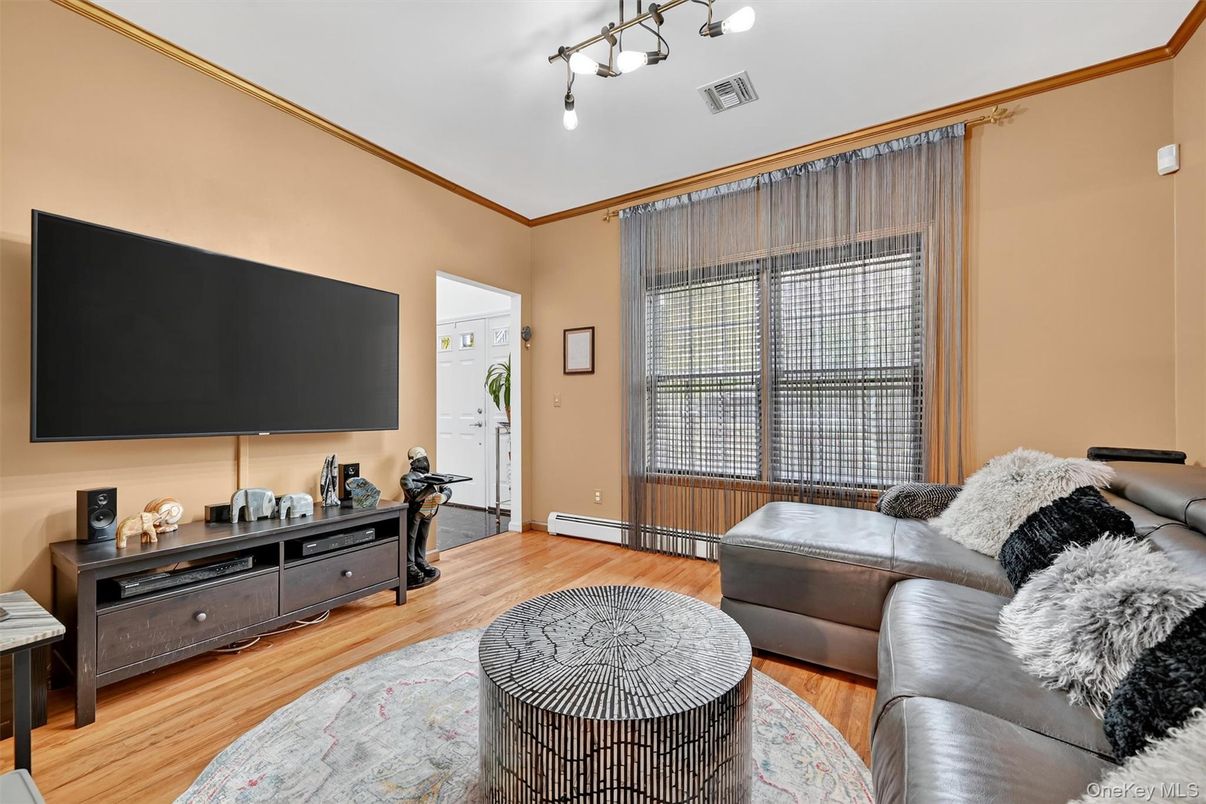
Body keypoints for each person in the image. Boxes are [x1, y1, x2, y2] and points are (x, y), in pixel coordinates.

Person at [400, 446, 451, 589]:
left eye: (424, 454)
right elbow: (414, 495)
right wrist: (431, 485)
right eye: (419, 455)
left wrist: (444, 496)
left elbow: (446, 488)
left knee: (423, 537)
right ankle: (409, 565)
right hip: (415, 512)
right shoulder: (407, 478)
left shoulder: (434, 476)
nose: (424, 458)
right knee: (411, 538)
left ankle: (421, 561)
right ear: (413, 460)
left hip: (429, 511)